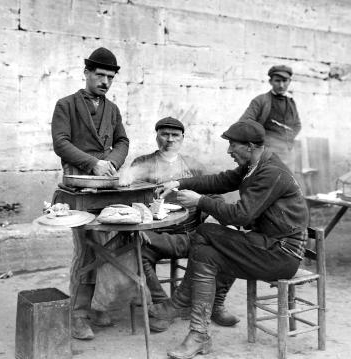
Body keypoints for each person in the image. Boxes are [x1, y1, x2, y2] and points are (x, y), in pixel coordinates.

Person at [151, 119, 309, 359]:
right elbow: (220, 181)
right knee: (205, 254)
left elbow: (242, 216)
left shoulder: (270, 172)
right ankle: (199, 335)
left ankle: (180, 301)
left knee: (205, 232)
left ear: (249, 146)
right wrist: (178, 183)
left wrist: (200, 201)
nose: (229, 151)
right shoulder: (254, 165)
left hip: (281, 255)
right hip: (265, 245)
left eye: (232, 145)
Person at [130, 117, 239, 332]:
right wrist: (139, 224)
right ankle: (164, 305)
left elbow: (214, 196)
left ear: (182, 138)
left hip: (193, 234)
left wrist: (223, 218)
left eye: (175, 135)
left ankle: (216, 304)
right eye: (164, 134)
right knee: (135, 253)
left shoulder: (194, 166)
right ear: (156, 135)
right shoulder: (142, 164)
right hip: (158, 234)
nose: (169, 140)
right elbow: (129, 200)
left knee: (232, 245)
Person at [51, 47, 129, 340]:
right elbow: (61, 142)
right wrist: (92, 163)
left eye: (110, 77)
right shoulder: (66, 105)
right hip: (76, 190)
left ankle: (99, 306)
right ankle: (78, 315)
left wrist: (113, 163)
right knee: (86, 251)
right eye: (100, 75)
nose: (105, 81)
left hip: (106, 189)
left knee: (111, 247)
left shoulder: (113, 109)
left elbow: (122, 140)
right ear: (86, 74)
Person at [239, 65, 301, 173]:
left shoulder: (291, 102)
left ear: (289, 81)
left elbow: (297, 125)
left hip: (287, 153)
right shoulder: (261, 101)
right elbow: (244, 122)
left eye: (284, 81)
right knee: (266, 182)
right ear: (270, 81)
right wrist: (260, 141)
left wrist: (288, 139)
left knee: (286, 182)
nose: (281, 85)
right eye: (277, 81)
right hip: (266, 152)